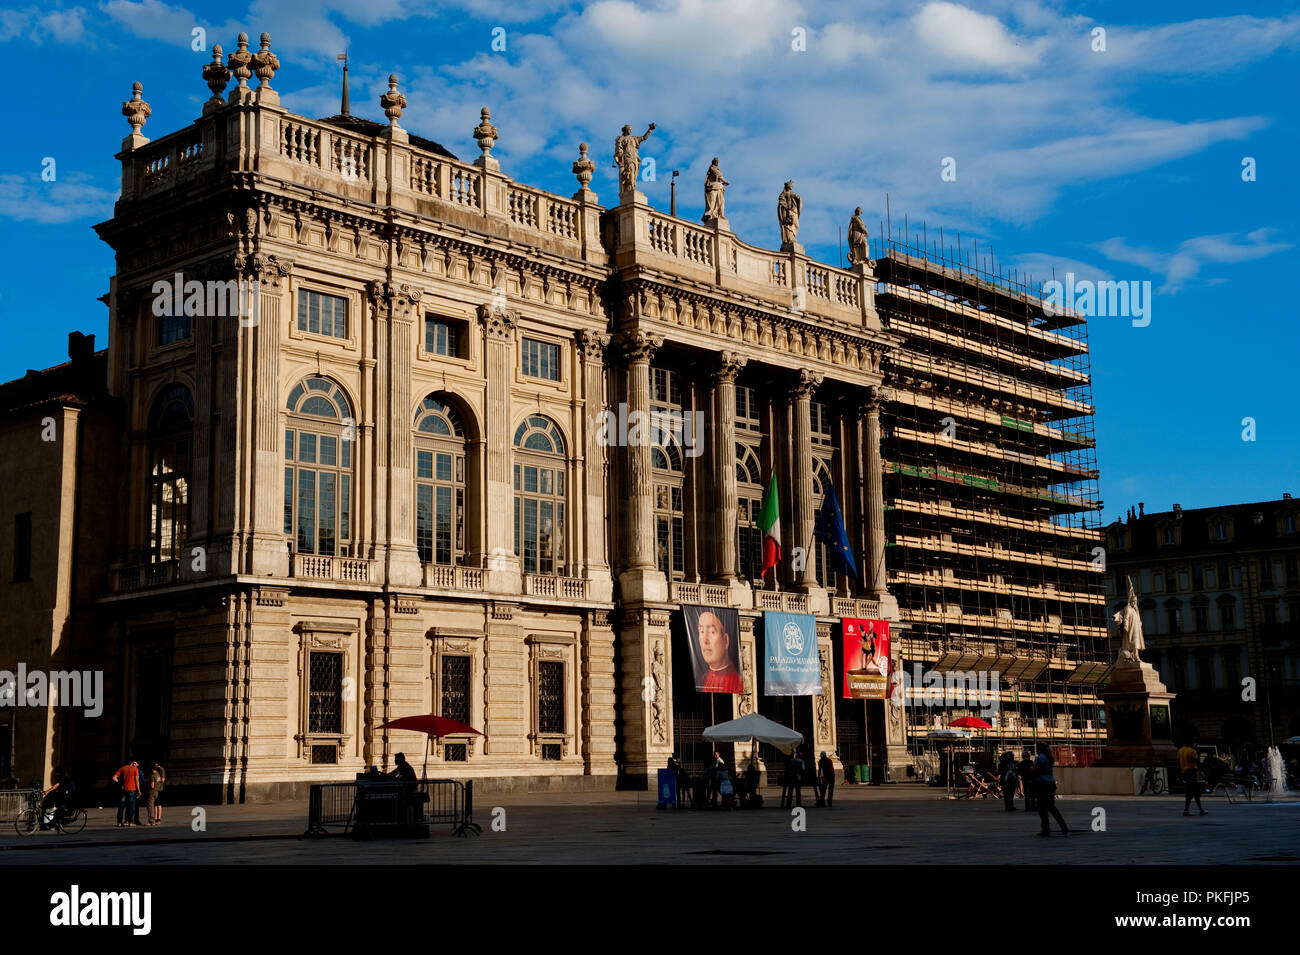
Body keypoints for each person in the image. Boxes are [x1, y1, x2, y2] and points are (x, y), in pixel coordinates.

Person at [696, 611, 742, 693]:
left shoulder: (738, 681)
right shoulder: (702, 680)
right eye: (702, 631)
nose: (705, 640)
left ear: (726, 640)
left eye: (712, 632)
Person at [1031, 743, 1069, 837]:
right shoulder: (1049, 757)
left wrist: (1031, 770)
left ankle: (1046, 830)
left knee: (1042, 808)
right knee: (1051, 807)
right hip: (1050, 783)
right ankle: (1063, 827)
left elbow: (1036, 769)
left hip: (1041, 784)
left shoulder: (1039, 758)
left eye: (1037, 748)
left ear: (1039, 749)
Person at [1177, 740, 1207, 816]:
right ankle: (1198, 810)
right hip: (1192, 772)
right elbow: (1197, 761)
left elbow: (1178, 762)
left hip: (1184, 772)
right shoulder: (1192, 751)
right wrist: (1201, 771)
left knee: (1189, 791)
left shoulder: (1180, 750)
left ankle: (1192, 810)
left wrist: (1180, 775)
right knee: (1195, 791)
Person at [112, 759, 142, 828]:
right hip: (132, 790)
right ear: (133, 762)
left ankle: (119, 822)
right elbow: (137, 781)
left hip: (124, 790)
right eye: (136, 763)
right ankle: (131, 822)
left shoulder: (123, 768)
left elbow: (114, 778)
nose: (137, 765)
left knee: (121, 807)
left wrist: (121, 783)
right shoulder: (135, 769)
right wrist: (139, 791)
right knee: (131, 806)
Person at [145, 761, 165, 826]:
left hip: (155, 790)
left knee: (152, 805)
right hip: (157, 790)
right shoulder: (158, 774)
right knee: (155, 805)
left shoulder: (154, 775)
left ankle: (154, 820)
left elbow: (152, 785)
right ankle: (155, 819)